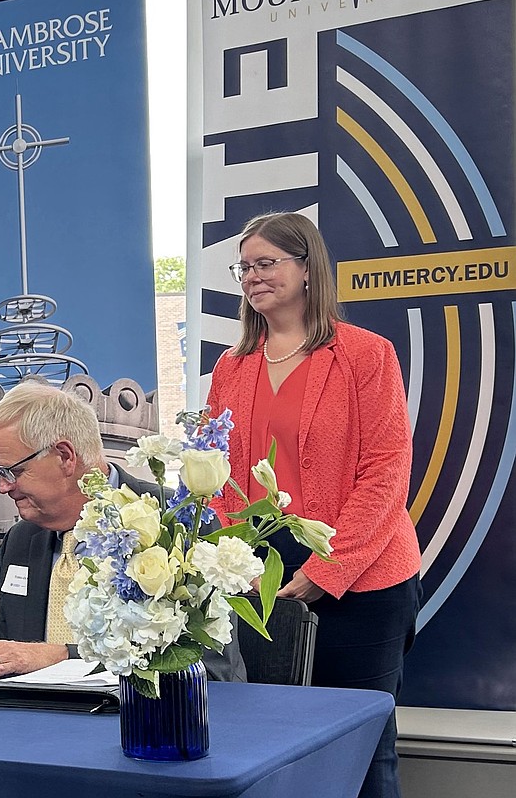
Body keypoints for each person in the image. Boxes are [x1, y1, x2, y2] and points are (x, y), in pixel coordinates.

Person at [208, 212, 421, 798]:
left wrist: (324, 573)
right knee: (272, 744)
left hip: (362, 578)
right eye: (244, 267)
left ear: (307, 270)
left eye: (266, 263)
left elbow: (385, 473)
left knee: (361, 750)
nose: (252, 276)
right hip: (260, 581)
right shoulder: (232, 367)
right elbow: (218, 475)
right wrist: (236, 561)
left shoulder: (365, 355)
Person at [0, 381, 246, 682]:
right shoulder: (19, 541)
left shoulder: (178, 522)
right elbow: (15, 662)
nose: (3, 487)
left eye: (13, 471)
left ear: (65, 456)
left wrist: (66, 657)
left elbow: (209, 670)